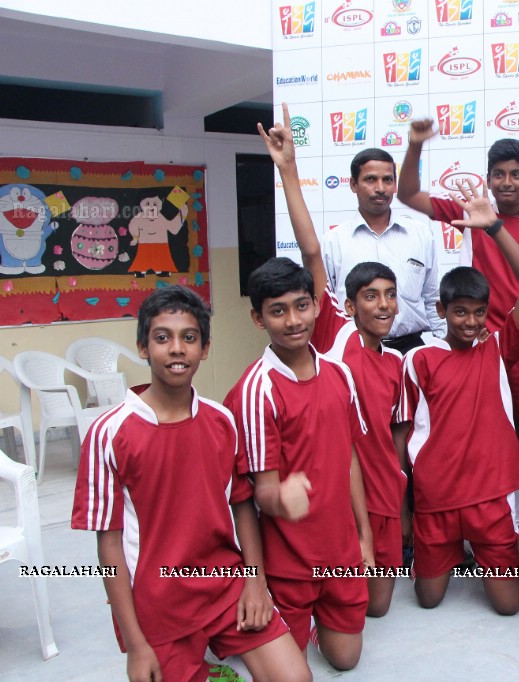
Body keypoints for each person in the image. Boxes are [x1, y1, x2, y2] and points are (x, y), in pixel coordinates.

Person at [72, 286, 310, 682]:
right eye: (162, 337)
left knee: (296, 678)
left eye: (189, 337)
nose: (177, 349)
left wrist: (256, 583)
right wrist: (136, 645)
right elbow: (109, 546)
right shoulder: (108, 433)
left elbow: (241, 506)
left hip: (224, 586)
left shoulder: (221, 421)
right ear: (143, 348)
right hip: (158, 606)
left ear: (205, 348)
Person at [258, 103, 408, 617]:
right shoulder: (332, 335)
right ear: (346, 306)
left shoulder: (396, 363)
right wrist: (288, 170)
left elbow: (396, 438)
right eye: (370, 296)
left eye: (390, 295)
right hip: (333, 496)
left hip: (385, 498)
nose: (382, 305)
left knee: (378, 608)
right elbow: (312, 253)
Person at [395, 181, 519, 614]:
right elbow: (403, 438)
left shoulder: (496, 347)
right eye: (460, 311)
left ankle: (483, 552)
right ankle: (453, 553)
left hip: (488, 495)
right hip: (436, 498)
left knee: (509, 607)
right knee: (428, 599)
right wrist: (406, 509)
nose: (470, 321)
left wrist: (495, 228)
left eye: (478, 312)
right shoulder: (419, 360)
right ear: (441, 311)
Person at [397, 127, 519, 525]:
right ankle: (472, 515)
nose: (507, 182)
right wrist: (415, 145)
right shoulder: (472, 212)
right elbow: (408, 195)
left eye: (516, 174)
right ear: (487, 178)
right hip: (477, 342)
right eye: (498, 173)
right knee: (472, 430)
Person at [225, 258, 373, 670]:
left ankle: (312, 625)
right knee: (290, 672)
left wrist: (363, 538)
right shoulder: (257, 391)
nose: (293, 320)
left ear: (317, 306)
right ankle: (264, 617)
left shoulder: (340, 374)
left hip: (341, 554)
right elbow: (259, 494)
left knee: (345, 660)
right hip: (287, 565)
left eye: (301, 305)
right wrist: (278, 498)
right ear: (258, 319)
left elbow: (350, 461)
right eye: (278, 310)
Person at [321, 146, 445, 354]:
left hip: (411, 349)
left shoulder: (420, 235)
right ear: (353, 184)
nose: (381, 188)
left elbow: (432, 298)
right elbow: (326, 305)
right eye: (370, 180)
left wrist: (443, 347)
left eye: (387, 180)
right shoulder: (334, 241)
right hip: (354, 352)